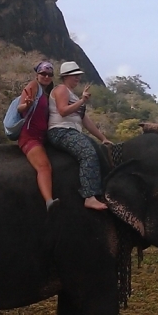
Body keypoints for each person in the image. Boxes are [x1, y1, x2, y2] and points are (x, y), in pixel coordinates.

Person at [47, 61, 112, 210]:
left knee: (97, 150)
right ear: (66, 76)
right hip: (60, 130)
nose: (77, 78)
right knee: (88, 153)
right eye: (74, 76)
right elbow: (62, 111)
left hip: (72, 131)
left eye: (78, 76)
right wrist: (82, 100)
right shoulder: (61, 89)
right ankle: (89, 196)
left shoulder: (74, 96)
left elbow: (86, 121)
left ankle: (102, 190)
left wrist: (103, 138)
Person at [17, 61, 59, 210]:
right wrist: (27, 105)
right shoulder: (33, 86)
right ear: (37, 75)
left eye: (49, 74)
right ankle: (49, 201)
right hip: (30, 137)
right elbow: (20, 107)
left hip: (43, 137)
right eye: (43, 73)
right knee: (44, 167)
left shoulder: (48, 93)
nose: (46, 76)